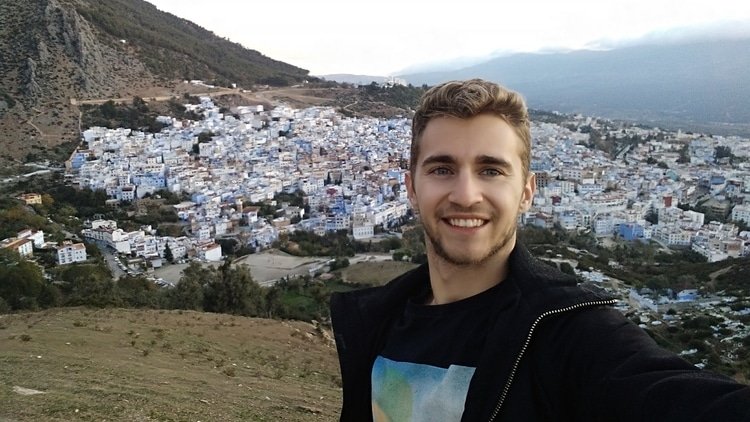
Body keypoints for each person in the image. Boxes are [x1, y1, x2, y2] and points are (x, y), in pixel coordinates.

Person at [329, 79, 750, 421]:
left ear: (527, 192)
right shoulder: (376, 322)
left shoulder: (573, 336)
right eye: (442, 169)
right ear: (411, 189)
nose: (466, 194)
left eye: (491, 170)